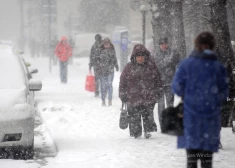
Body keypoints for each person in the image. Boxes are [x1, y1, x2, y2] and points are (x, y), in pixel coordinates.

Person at [171, 32, 229, 168]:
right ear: (212, 46)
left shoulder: (186, 65)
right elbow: (224, 91)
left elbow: (176, 87)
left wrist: (189, 95)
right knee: (207, 160)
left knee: (191, 159)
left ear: (196, 45)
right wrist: (213, 100)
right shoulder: (218, 67)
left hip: (190, 117)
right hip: (211, 119)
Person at [119, 44, 162, 139]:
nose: (140, 58)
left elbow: (158, 80)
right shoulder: (129, 67)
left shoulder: (151, 66)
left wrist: (158, 90)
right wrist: (122, 94)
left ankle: (147, 130)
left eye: (142, 56)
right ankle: (136, 132)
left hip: (148, 96)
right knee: (134, 116)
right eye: (138, 56)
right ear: (134, 57)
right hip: (133, 97)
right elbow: (123, 82)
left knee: (147, 114)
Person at [152, 37, 180, 131]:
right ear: (159, 45)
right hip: (159, 83)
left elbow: (178, 63)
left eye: (165, 44)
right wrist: (170, 59)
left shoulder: (173, 53)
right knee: (161, 106)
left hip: (170, 82)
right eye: (162, 44)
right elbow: (158, 65)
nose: (164, 45)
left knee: (170, 104)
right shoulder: (155, 54)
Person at [99, 38, 119, 106]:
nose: (107, 45)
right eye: (105, 44)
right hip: (102, 71)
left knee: (109, 85)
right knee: (103, 86)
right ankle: (103, 100)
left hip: (110, 70)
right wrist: (98, 67)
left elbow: (115, 59)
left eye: (108, 44)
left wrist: (116, 66)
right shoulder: (100, 51)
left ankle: (110, 100)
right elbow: (97, 60)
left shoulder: (112, 51)